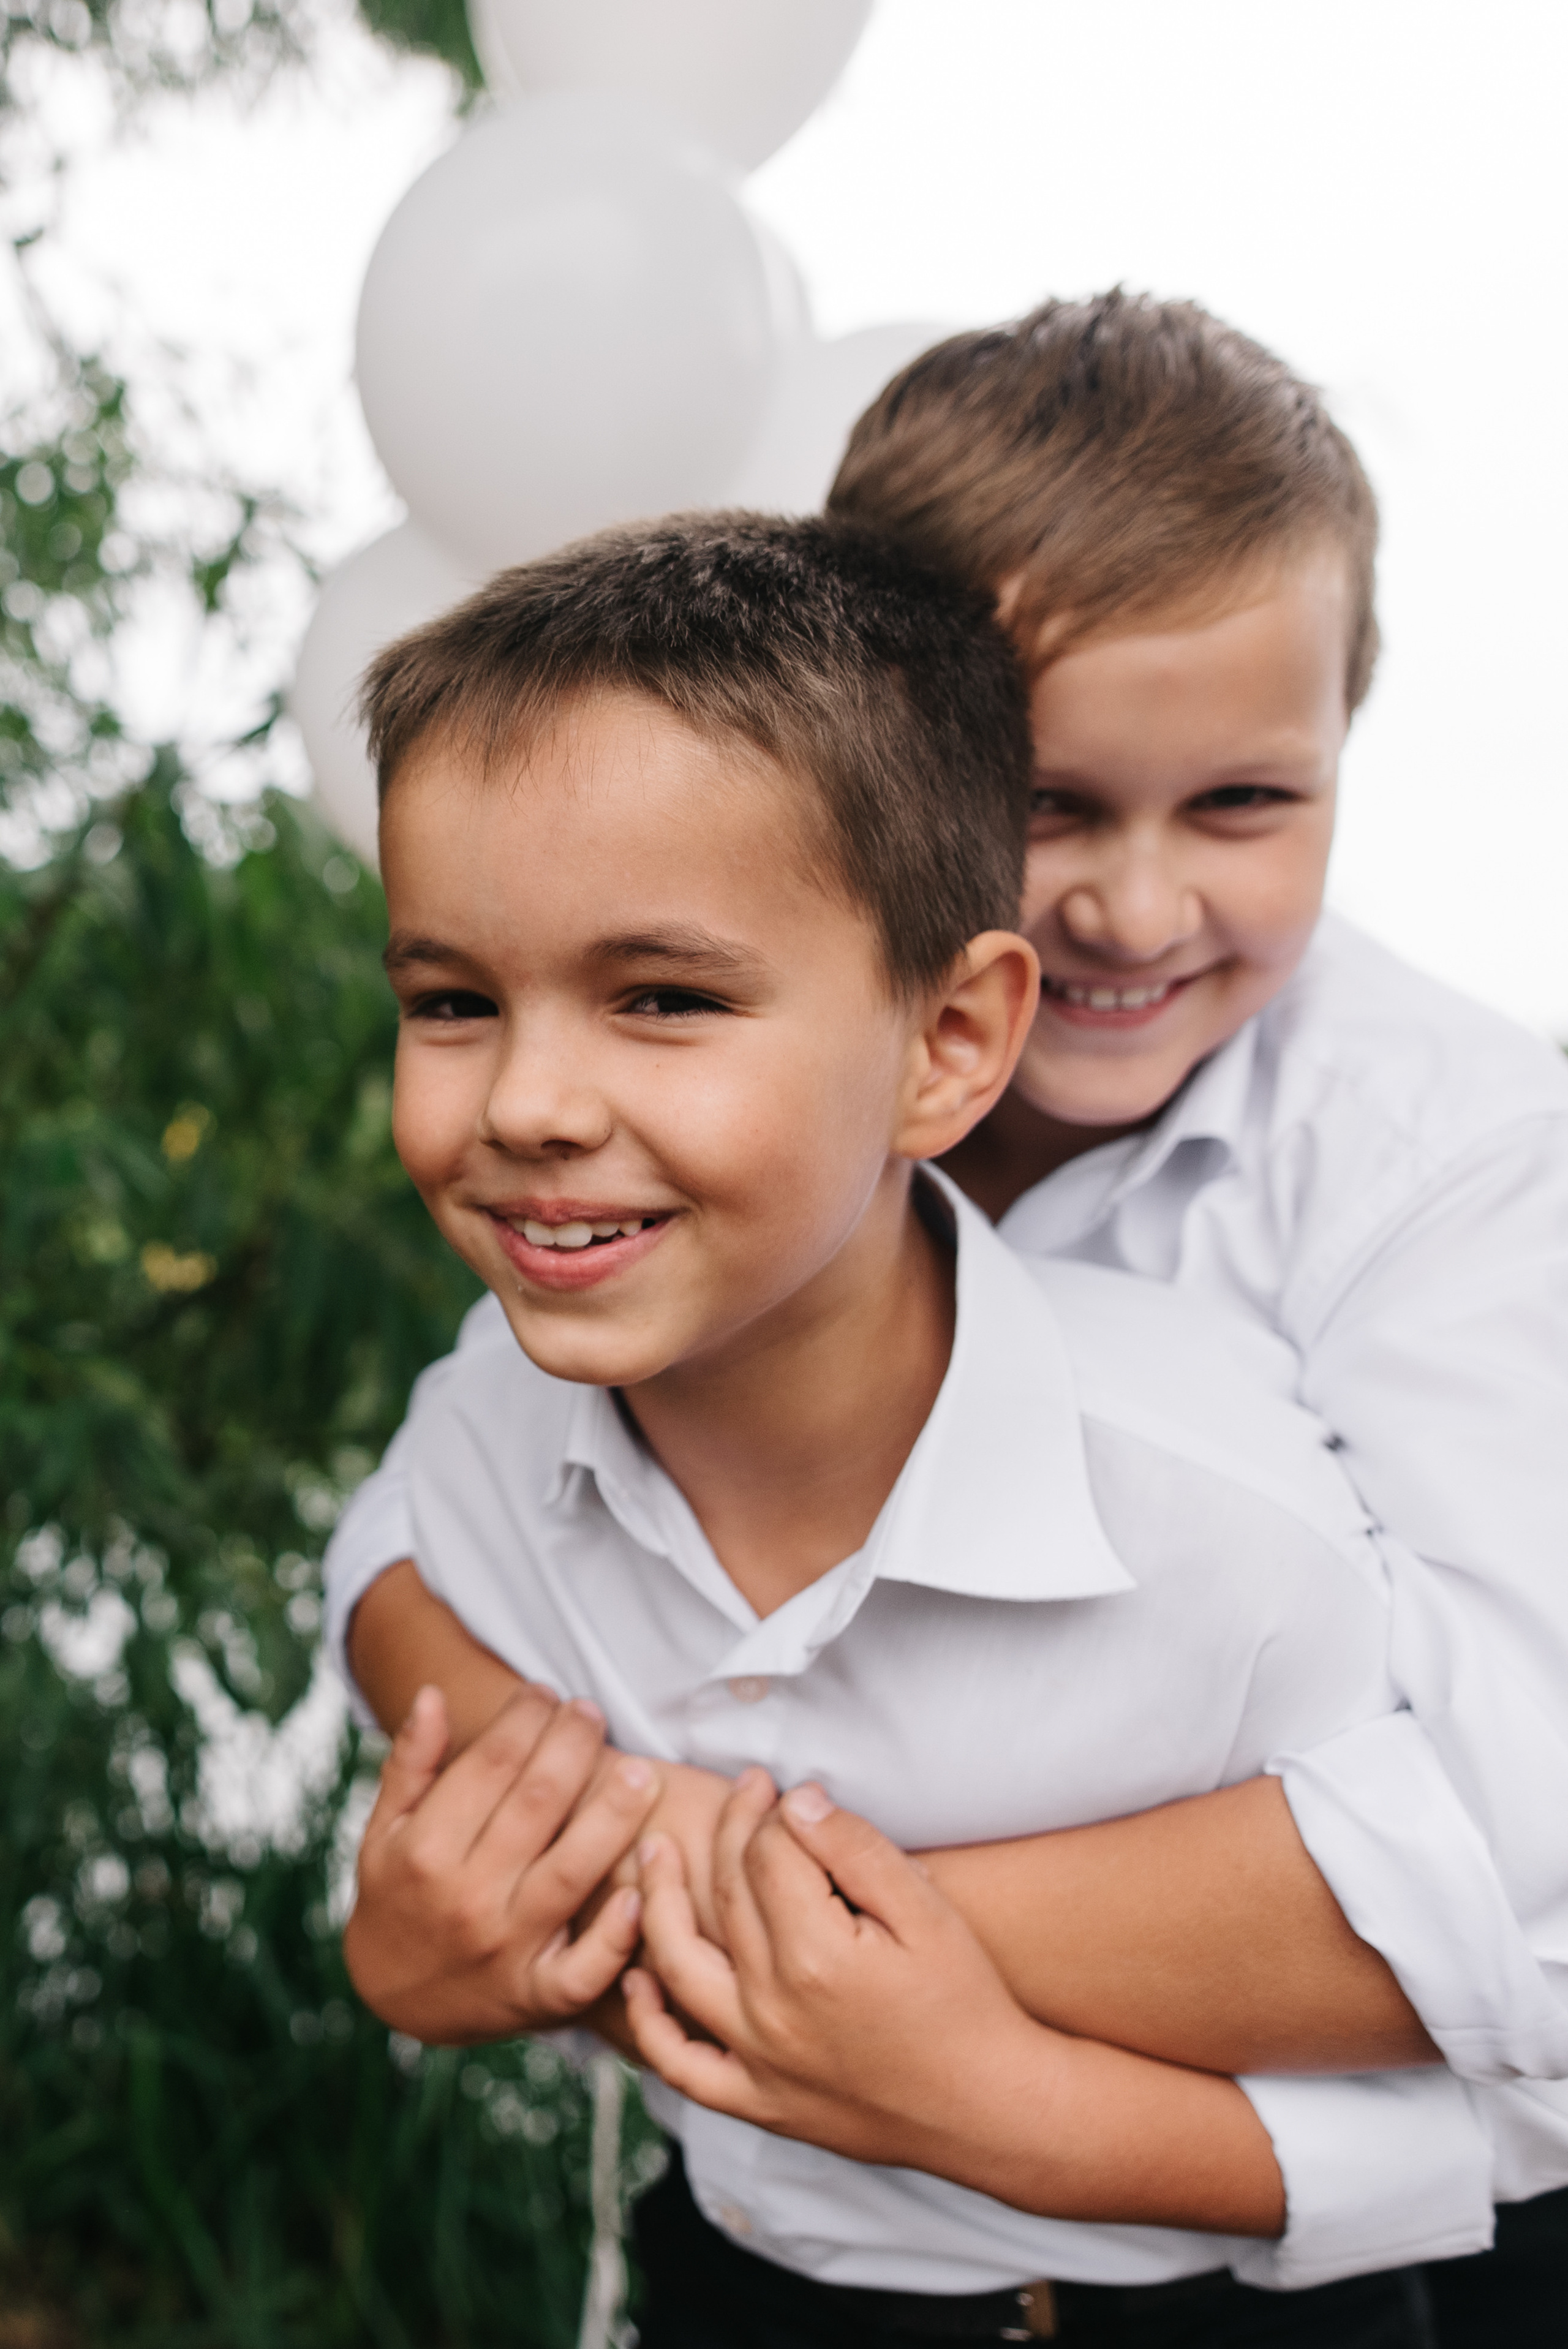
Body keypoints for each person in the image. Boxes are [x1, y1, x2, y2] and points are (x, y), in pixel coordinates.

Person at [328, 298, 1568, 2332]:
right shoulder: (719, 1138)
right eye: (1058, 804)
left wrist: (759, 1924)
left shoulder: (1447, 1151)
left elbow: (1519, 1867)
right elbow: (424, 1525)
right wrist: (468, 1899)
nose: (1137, 911)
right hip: (807, 2234)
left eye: (1248, 805)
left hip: (1352, 2219)